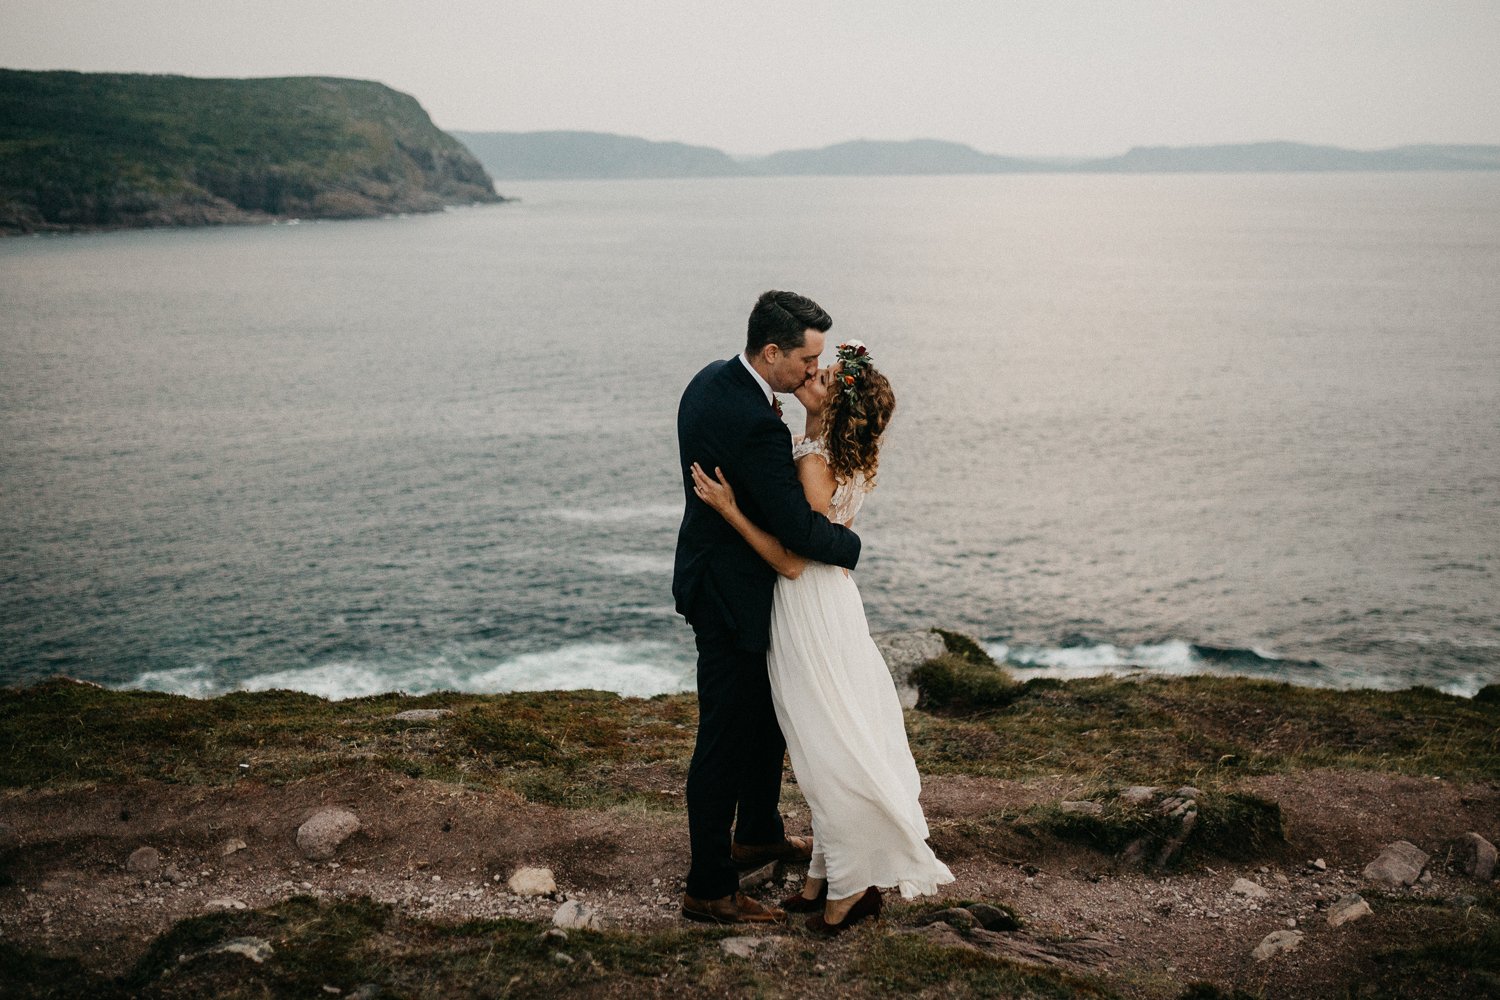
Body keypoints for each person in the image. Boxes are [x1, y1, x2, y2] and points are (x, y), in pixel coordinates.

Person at [689, 338, 953, 935]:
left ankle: (849, 890)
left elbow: (789, 561)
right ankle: (820, 879)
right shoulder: (840, 452)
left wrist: (730, 509)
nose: (815, 373)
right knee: (827, 730)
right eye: (815, 365)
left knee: (821, 742)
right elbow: (834, 534)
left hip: (807, 606)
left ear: (836, 403)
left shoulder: (812, 459)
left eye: (825, 376)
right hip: (833, 599)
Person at [672, 290, 862, 925]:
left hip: (720, 576)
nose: (814, 371)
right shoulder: (755, 423)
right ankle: (710, 885)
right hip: (734, 595)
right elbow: (799, 531)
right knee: (725, 737)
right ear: (772, 351)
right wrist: (852, 543)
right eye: (807, 360)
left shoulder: (712, 380)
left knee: (766, 717)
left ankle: (757, 830)